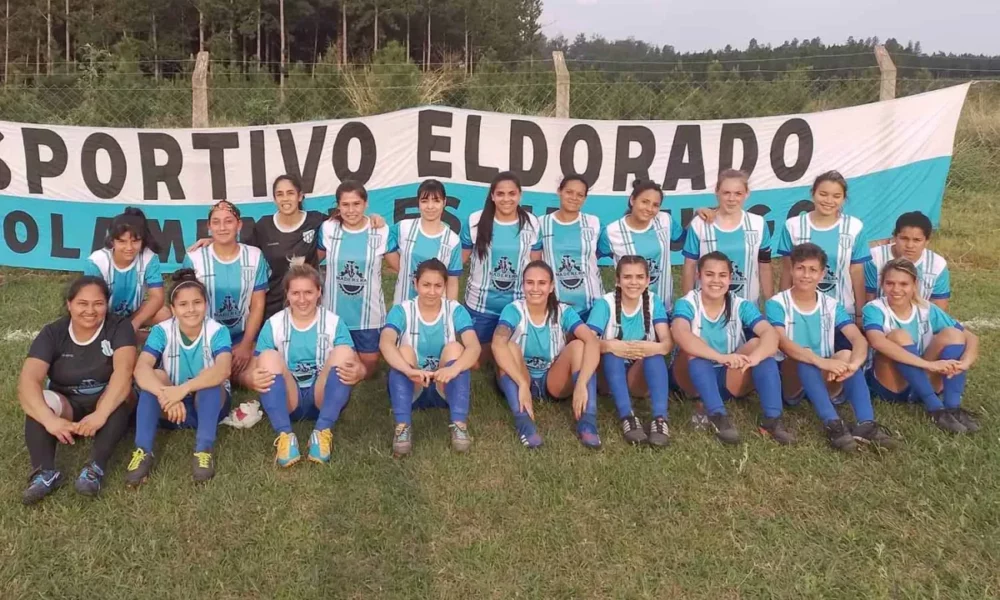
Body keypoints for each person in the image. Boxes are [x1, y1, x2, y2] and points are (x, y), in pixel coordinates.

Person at [766, 243, 897, 451]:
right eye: (800, 268)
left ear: (822, 273)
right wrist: (819, 361)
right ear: (791, 269)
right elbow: (783, 342)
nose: (806, 275)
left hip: (826, 377)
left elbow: (858, 339)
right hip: (792, 379)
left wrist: (854, 364)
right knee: (804, 355)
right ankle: (833, 424)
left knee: (846, 353)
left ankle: (866, 424)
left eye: (812, 270)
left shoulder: (831, 304)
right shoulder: (777, 303)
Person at [19, 277, 137, 504]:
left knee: (119, 396)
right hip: (68, 402)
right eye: (83, 303)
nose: (90, 310)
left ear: (106, 304)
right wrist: (49, 420)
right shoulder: (53, 332)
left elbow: (124, 372)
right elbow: (28, 381)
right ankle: (45, 472)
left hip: (104, 398)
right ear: (69, 304)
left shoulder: (119, 327)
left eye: (98, 303)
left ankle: (94, 469)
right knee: (40, 399)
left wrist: (100, 415)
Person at [246, 264, 364, 466]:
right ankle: (285, 435)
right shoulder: (274, 323)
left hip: (322, 397)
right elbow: (252, 370)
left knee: (344, 352)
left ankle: (322, 432)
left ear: (319, 292)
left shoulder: (333, 322)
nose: (302, 299)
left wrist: (358, 373)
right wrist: (251, 379)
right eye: (296, 293)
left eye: (308, 292)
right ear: (287, 295)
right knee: (267, 356)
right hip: (288, 399)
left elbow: (358, 365)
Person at [670, 252, 793, 445]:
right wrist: (720, 357)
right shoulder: (687, 303)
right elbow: (681, 334)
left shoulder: (740, 304)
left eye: (722, 275)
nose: (716, 280)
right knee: (694, 350)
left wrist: (755, 358)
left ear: (730, 278)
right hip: (691, 378)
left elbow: (770, 334)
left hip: (728, 378)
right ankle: (718, 416)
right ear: (698, 276)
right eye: (709, 274)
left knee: (759, 348)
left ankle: (772, 419)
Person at [125, 270, 233, 486]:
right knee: (154, 376)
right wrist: (165, 394)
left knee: (209, 379)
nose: (191, 309)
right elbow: (141, 368)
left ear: (206, 304)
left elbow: (223, 370)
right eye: (183, 304)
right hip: (171, 409)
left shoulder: (217, 330)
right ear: (173, 309)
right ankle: (143, 451)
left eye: (197, 302)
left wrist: (182, 390)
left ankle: (203, 449)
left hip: (207, 405)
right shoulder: (161, 331)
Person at [492, 261, 602, 449]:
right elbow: (496, 344)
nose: (535, 288)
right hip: (521, 377)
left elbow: (592, 342)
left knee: (579, 345)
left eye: (542, 283)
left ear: (551, 286)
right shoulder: (513, 310)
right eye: (530, 282)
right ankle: (524, 424)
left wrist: (582, 383)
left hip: (553, 381)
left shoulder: (563, 311)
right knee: (508, 346)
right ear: (523, 285)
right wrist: (522, 383)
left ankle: (588, 422)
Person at [862, 258, 979, 434]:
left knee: (953, 334)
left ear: (914, 284)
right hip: (891, 384)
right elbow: (877, 341)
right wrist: (929, 365)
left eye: (903, 284)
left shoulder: (926, 308)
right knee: (898, 335)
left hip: (923, 378)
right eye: (890, 283)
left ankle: (952, 407)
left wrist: (966, 362)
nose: (896, 289)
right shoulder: (874, 308)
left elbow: (971, 337)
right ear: (882, 284)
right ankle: (935, 408)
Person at [381, 259, 481, 456]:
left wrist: (454, 368)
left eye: (438, 286)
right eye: (426, 285)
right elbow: (385, 342)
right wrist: (409, 370)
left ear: (445, 286)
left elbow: (474, 346)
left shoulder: (454, 309)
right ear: (415, 284)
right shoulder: (402, 310)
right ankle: (402, 427)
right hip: (413, 386)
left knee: (455, 347)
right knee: (404, 351)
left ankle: (459, 424)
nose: (432, 291)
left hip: (445, 386)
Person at [586, 256, 673, 446]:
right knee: (612, 353)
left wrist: (653, 347)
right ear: (617, 280)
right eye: (627, 277)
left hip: (638, 376)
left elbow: (666, 344)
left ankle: (660, 418)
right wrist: (609, 345)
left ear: (648, 280)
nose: (634, 282)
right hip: (608, 377)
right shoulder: (605, 303)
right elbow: (588, 340)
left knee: (654, 355)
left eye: (640, 277)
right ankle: (627, 416)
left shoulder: (653, 301)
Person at [183, 200, 270, 388]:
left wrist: (246, 345)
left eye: (228, 221)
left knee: (263, 375)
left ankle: (226, 374)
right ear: (208, 226)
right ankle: (223, 374)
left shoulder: (255, 256)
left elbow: (258, 304)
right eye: (216, 222)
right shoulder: (194, 258)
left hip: (242, 337)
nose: (222, 227)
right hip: (206, 338)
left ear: (239, 225)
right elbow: (186, 308)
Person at [462, 172, 542, 364]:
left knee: (514, 357)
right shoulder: (475, 220)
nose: (506, 199)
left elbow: (536, 266)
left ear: (520, 195)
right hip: (480, 305)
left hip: (516, 304)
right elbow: (459, 261)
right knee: (476, 363)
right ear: (492, 196)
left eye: (512, 193)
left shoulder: (531, 223)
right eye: (500, 194)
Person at [318, 180, 390, 378]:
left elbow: (399, 265)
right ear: (338, 206)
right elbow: (311, 261)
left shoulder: (381, 230)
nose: (351, 210)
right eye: (345, 205)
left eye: (356, 204)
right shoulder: (328, 229)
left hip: (369, 315)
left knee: (369, 367)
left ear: (366, 204)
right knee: (337, 364)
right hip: (335, 312)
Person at [776, 171, 870, 320]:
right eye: (823, 194)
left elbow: (857, 273)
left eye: (836, 196)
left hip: (843, 312)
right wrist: (783, 308)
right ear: (813, 193)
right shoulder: (793, 226)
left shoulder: (854, 227)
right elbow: (787, 271)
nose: (829, 200)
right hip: (800, 311)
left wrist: (859, 313)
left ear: (844, 199)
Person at [681, 169, 773, 306]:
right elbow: (689, 266)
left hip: (747, 305)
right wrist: (687, 304)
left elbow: (765, 266)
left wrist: (770, 304)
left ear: (747, 194)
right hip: (707, 306)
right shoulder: (700, 224)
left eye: (738, 193)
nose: (731, 199)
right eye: (726, 193)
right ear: (717, 192)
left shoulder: (758, 224)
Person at [598, 179, 684, 309]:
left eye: (655, 205)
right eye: (644, 202)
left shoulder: (665, 220)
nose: (649, 208)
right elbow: (593, 257)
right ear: (632, 200)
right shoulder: (612, 232)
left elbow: (686, 239)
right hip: (629, 309)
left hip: (663, 305)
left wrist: (699, 215)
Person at [84, 207, 168, 336]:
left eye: (135, 241)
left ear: (143, 240)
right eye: (122, 241)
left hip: (133, 315)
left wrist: (134, 323)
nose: (129, 247)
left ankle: (135, 337)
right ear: (112, 241)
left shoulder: (149, 257)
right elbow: (93, 302)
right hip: (104, 316)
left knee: (165, 314)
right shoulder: (97, 262)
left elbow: (157, 297)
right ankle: (123, 337)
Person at [385, 179, 463, 305]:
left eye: (436, 201)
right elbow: (383, 239)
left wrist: (451, 312)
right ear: (418, 203)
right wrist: (403, 269)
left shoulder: (452, 240)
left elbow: (452, 281)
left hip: (435, 312)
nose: (430, 206)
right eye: (425, 201)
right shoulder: (404, 227)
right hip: (403, 305)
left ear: (444, 202)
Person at [538, 175, 604, 321]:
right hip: (555, 305)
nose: (574, 197)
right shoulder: (542, 224)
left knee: (591, 343)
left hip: (592, 306)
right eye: (569, 192)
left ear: (585, 198)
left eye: (580, 195)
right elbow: (535, 264)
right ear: (559, 191)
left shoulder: (594, 223)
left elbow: (601, 251)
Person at [865, 211, 950, 310]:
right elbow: (867, 299)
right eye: (904, 238)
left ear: (927, 241)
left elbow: (938, 307)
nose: (909, 245)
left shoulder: (937, 265)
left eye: (917, 240)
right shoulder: (874, 257)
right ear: (894, 237)